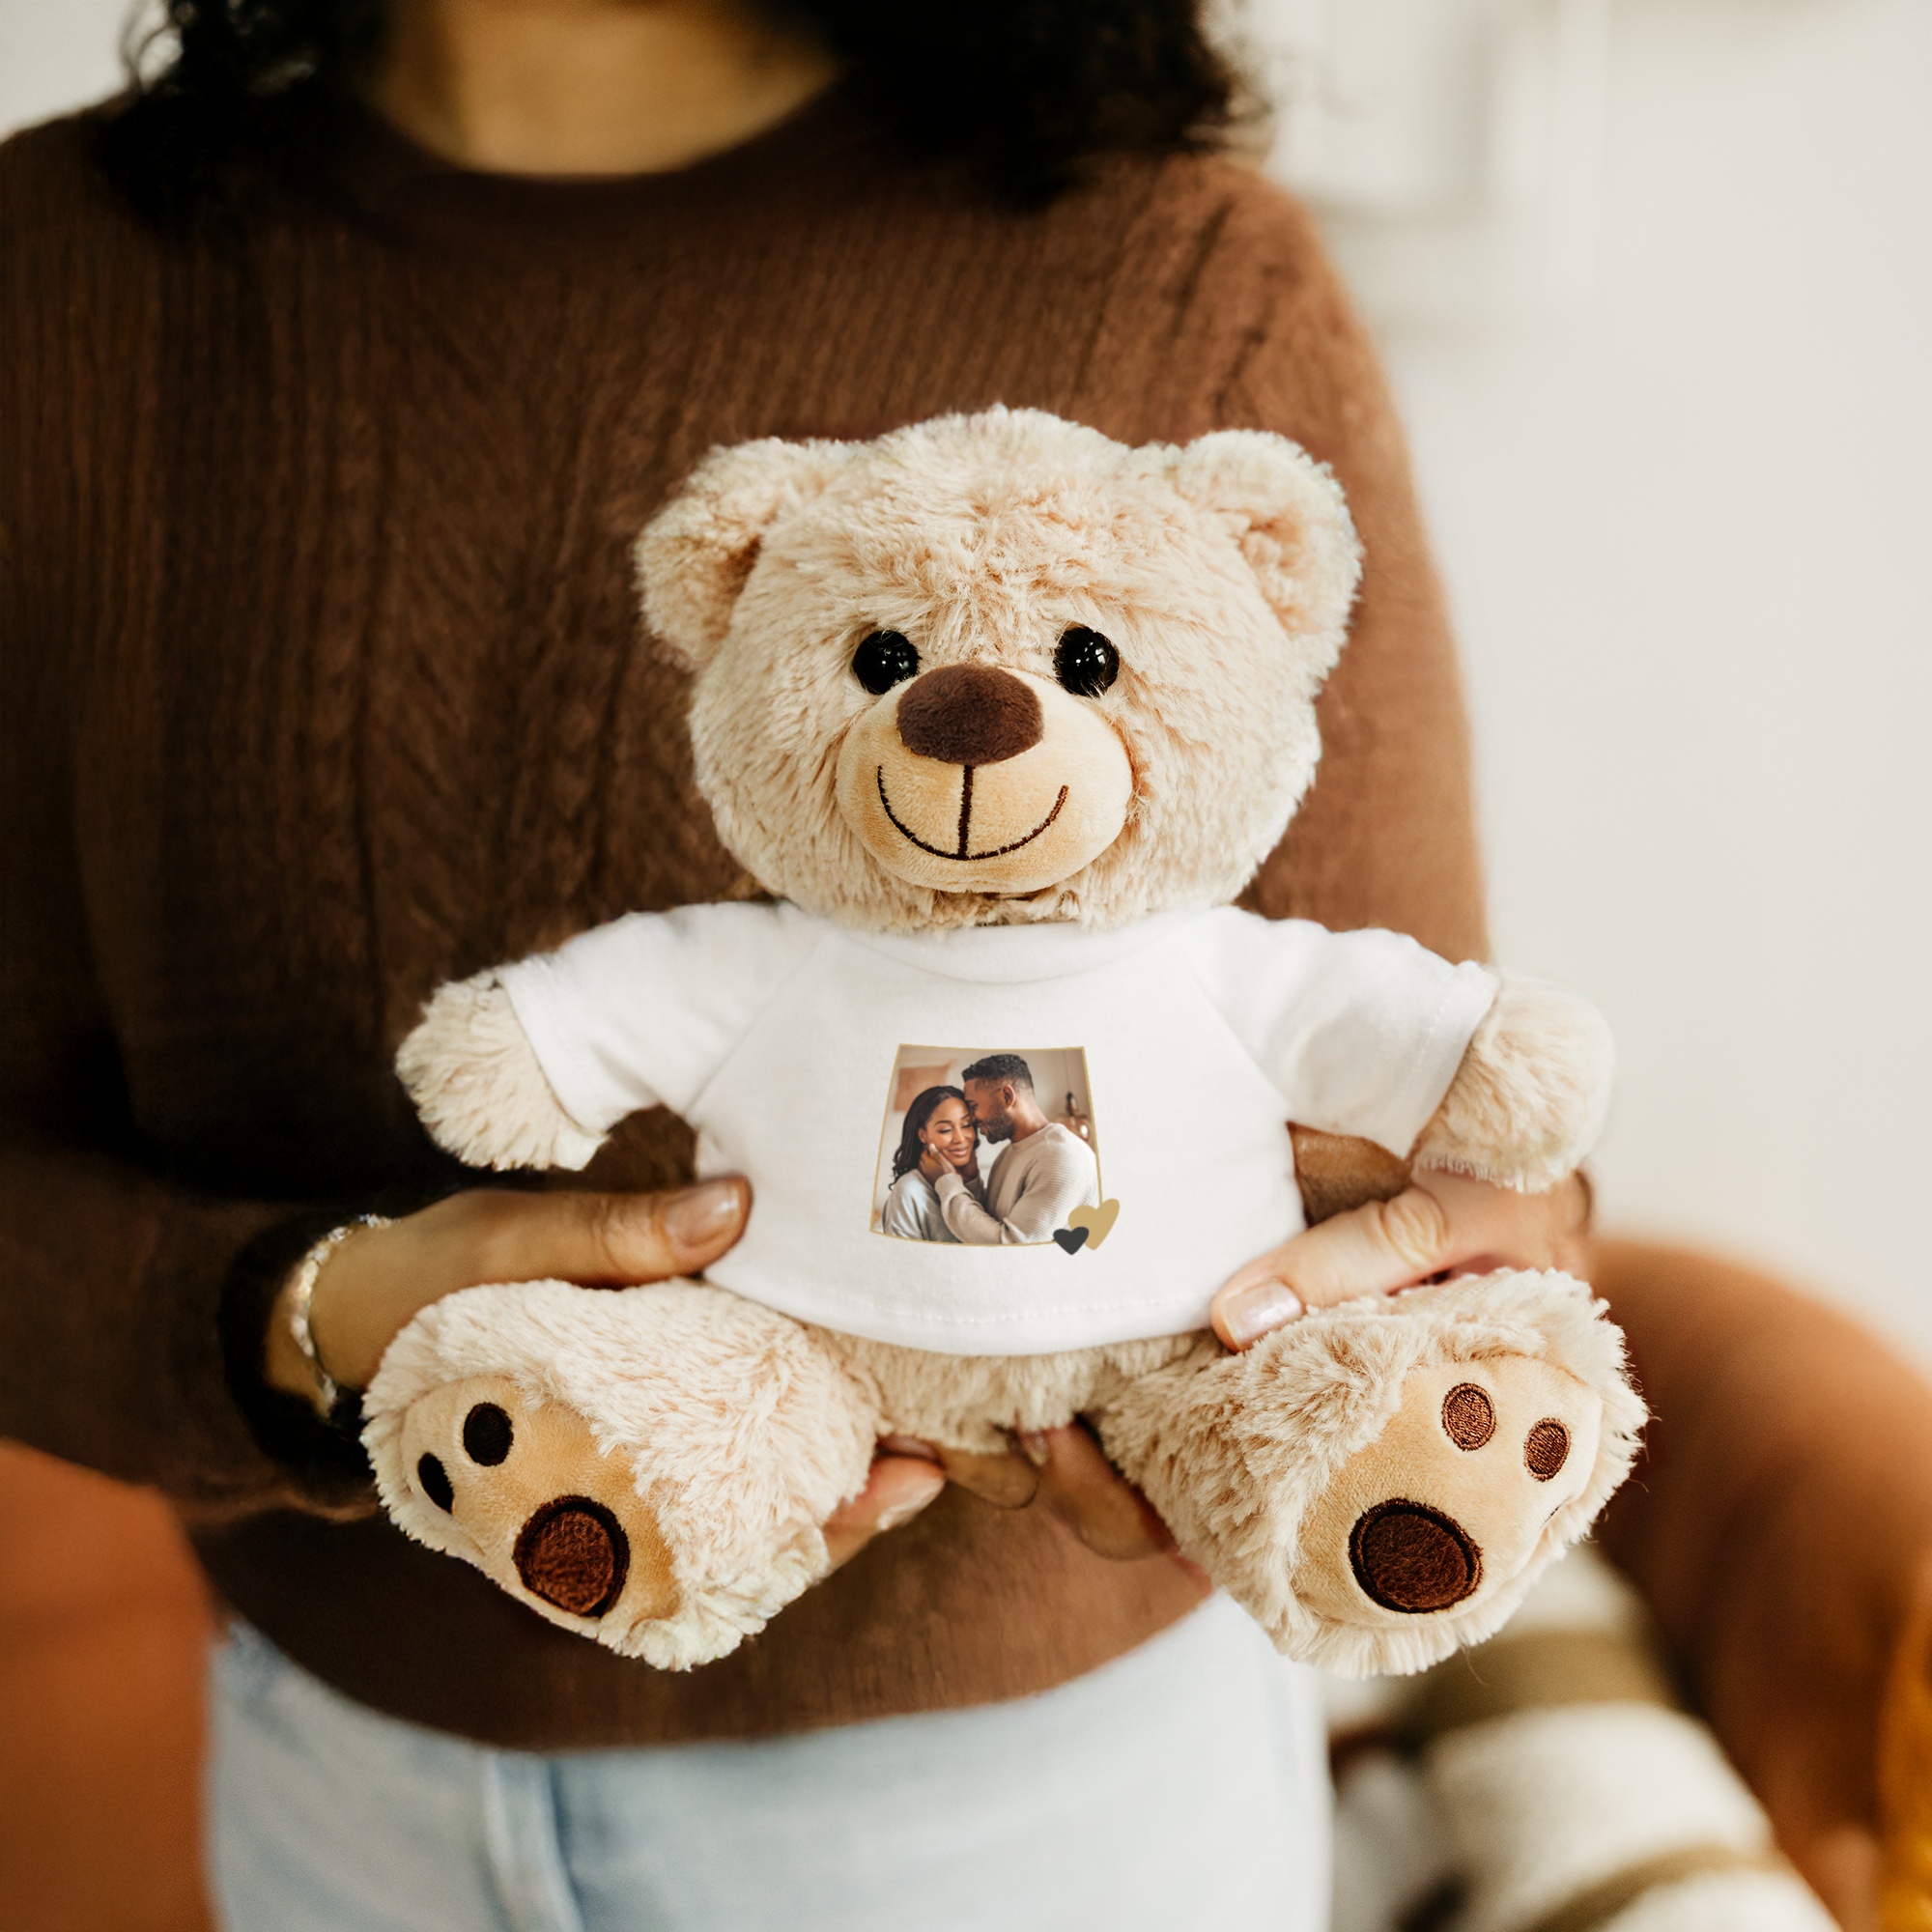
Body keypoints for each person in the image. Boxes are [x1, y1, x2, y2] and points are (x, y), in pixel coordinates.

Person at [3, 0, 1783, 1925]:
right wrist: (321, 1316)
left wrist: (1402, 1284)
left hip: (1029, 1808)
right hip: (330, 1777)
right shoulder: (64, 280)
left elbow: (1456, 1145)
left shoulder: (1173, 269)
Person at [939, 1054, 1101, 1246]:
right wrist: (972, 1181)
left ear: (1007, 1096)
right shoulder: (1008, 1154)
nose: (972, 1118)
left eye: (974, 1106)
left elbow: (1012, 1246)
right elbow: (993, 1220)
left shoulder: (1063, 1158)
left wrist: (948, 1183)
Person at [880, 1085, 979, 1243]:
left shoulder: (969, 1177)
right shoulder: (909, 1189)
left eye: (967, 1125)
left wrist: (972, 1182)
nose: (960, 1138)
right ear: (923, 1135)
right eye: (945, 1129)